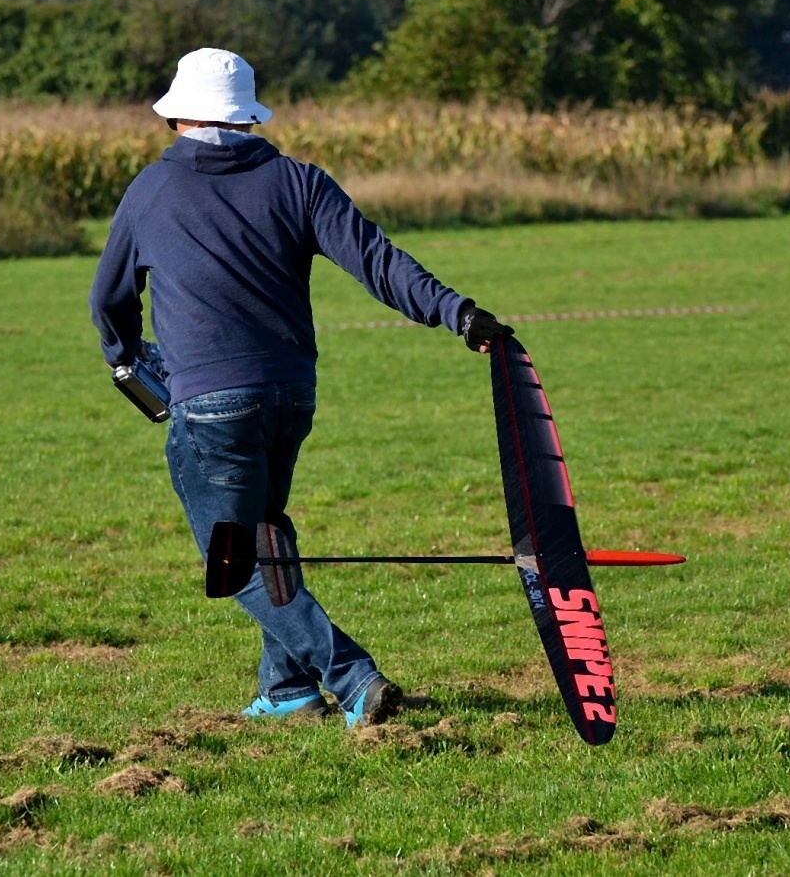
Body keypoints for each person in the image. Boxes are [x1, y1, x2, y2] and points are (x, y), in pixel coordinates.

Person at [89, 48, 513, 727]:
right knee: (265, 539)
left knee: (234, 562)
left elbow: (108, 301)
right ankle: (286, 692)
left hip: (210, 404)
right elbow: (378, 262)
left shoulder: (148, 193)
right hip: (291, 397)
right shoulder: (298, 182)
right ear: (248, 118)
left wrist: (127, 361)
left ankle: (352, 677)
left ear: (179, 116)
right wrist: (457, 312)